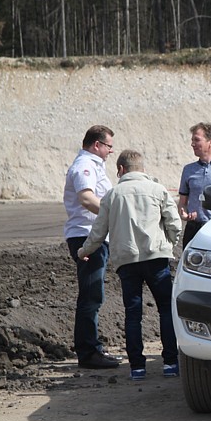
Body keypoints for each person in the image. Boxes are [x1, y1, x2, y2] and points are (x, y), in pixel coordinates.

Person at [77, 150, 182, 381]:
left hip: (127, 262)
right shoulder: (158, 190)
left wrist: (84, 251)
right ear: (142, 168)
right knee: (166, 309)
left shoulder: (112, 196)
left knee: (133, 314)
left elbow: (98, 232)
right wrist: (170, 245)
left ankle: (137, 367)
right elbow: (174, 223)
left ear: (121, 169)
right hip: (156, 258)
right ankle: (171, 363)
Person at [63, 125, 120, 369]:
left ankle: (91, 348)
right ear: (97, 145)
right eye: (108, 146)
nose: (110, 151)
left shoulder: (94, 166)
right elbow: (86, 198)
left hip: (94, 237)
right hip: (87, 237)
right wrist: (114, 215)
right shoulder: (84, 166)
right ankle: (88, 352)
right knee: (91, 295)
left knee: (93, 294)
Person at [178, 122, 211, 248]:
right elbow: (182, 202)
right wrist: (184, 214)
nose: (192, 144)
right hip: (193, 229)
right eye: (192, 140)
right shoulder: (188, 170)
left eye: (197, 140)